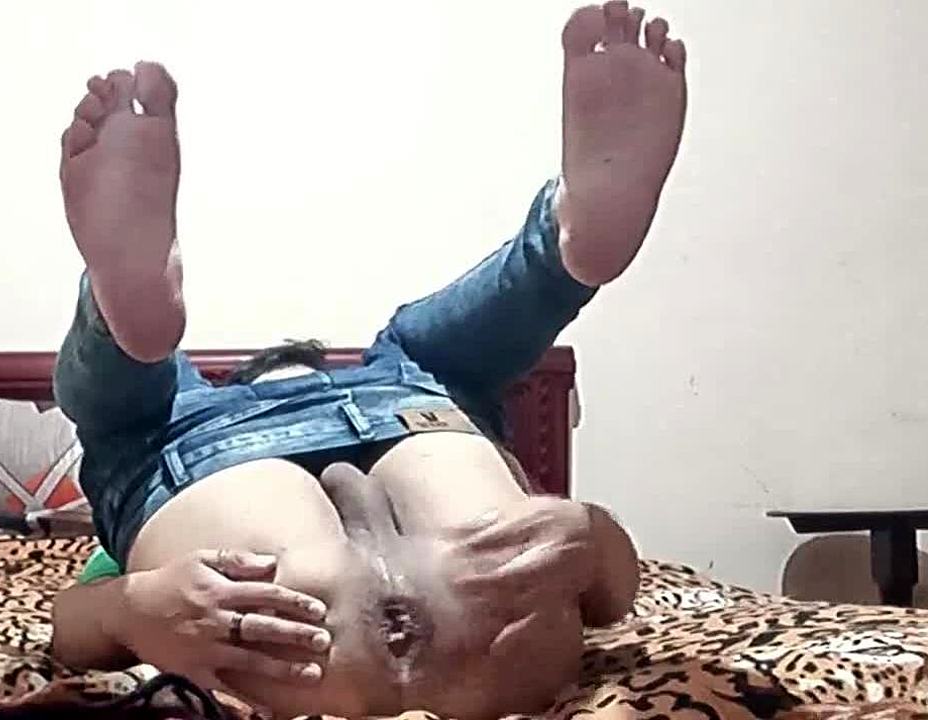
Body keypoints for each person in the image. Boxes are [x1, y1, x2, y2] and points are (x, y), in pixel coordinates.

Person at [49, 2, 687, 717]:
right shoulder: (405, 375)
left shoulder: (199, 408)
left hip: (211, 464)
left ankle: (119, 319)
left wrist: (125, 609)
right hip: (417, 436)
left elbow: (69, 625)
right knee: (422, 351)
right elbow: (618, 594)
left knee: (130, 411)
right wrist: (596, 540)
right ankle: (563, 250)